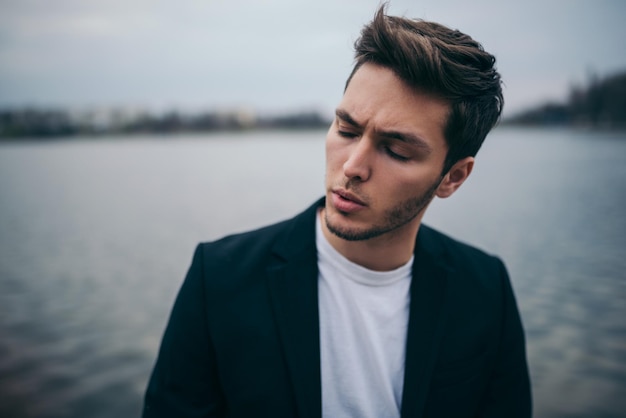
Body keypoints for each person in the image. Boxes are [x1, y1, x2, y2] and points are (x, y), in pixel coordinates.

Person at [143, 5, 532, 418]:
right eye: (346, 130)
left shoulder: (486, 290)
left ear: (452, 177)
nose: (352, 166)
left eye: (396, 150)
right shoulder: (219, 279)